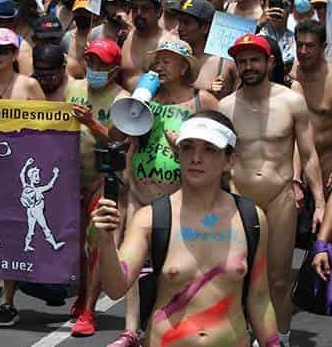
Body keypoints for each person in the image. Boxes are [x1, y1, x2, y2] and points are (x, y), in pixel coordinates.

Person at [91, 110, 280, 347]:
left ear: (229, 160)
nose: (196, 158)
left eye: (209, 149)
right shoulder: (151, 218)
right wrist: (106, 240)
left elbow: (259, 299)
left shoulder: (250, 218)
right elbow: (116, 287)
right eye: (188, 147)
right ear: (178, 153)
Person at [219, 34, 325, 347]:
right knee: (237, 275)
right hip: (240, 200)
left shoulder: (291, 101)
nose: (248, 66)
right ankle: (240, 335)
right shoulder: (226, 107)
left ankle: (281, 338)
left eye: (254, 59)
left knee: (278, 278)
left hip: (280, 197)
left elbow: (308, 155)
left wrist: (319, 202)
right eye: (242, 61)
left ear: (270, 63)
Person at [114, 40, 219, 345]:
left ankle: (171, 327)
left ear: (184, 67)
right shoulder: (144, 96)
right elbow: (118, 135)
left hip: (180, 200)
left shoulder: (203, 102)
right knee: (129, 264)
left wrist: (182, 148)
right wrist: (134, 103)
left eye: (166, 61)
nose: (158, 67)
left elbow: (220, 149)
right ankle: (131, 329)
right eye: (156, 61)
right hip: (139, 194)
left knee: (174, 269)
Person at [0, 27, 45, 327]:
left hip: (17, 173)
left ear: (15, 54)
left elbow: (49, 131)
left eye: (2, 50)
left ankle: (8, 301)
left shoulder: (29, 86)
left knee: (11, 234)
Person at [65, 39, 129, 337]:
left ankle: (90, 310)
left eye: (101, 64)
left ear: (114, 69)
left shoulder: (122, 100)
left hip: (102, 181)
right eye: (91, 62)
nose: (94, 68)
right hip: (69, 179)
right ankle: (81, 293)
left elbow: (118, 145)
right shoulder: (73, 88)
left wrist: (91, 123)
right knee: (75, 245)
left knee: (96, 245)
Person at [292, 20, 332, 199]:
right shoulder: (288, 74)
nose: (302, 51)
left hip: (325, 171)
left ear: (323, 46)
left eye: (309, 46)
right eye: (299, 45)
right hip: (290, 174)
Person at [176, 0, 238, 99]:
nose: (180, 28)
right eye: (179, 22)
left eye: (186, 23)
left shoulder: (225, 63)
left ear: (205, 28)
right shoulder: (172, 57)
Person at [121, 0, 177, 90]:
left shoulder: (170, 44)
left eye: (145, 8)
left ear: (158, 12)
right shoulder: (125, 38)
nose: (139, 13)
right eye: (134, 8)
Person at [258, 0, 296, 66]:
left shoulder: (297, 39)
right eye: (273, 4)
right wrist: (259, 24)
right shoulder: (253, 33)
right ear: (263, 5)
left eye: (284, 5)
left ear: (292, 8)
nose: (278, 9)